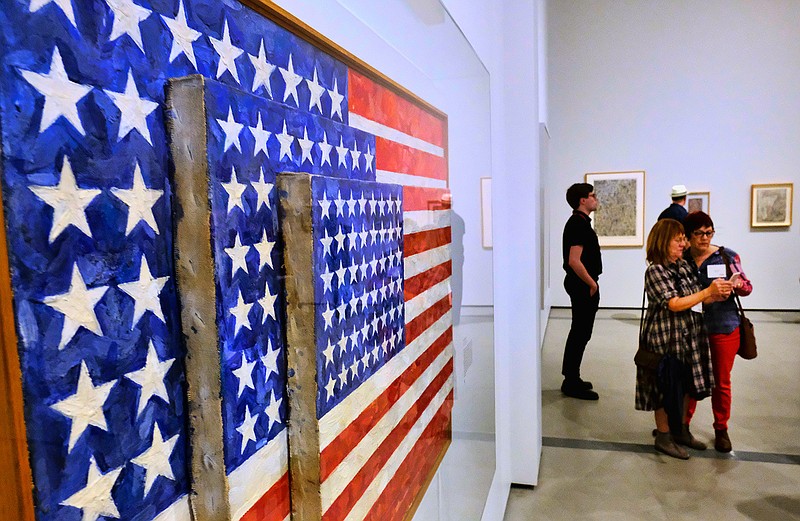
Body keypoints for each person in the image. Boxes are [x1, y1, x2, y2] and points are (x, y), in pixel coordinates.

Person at [636, 219, 731, 459]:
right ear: (662, 241)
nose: (684, 244)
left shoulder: (684, 266)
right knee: (664, 388)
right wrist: (707, 292)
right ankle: (664, 437)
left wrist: (717, 294)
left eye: (683, 239)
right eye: (677, 240)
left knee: (686, 383)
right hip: (665, 339)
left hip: (688, 336)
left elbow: (695, 299)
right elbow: (674, 303)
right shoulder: (656, 270)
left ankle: (681, 432)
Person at [683, 211, 753, 452]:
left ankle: (721, 429)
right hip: (690, 328)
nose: (704, 237)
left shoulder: (725, 256)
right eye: (699, 233)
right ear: (688, 236)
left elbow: (747, 286)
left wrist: (737, 285)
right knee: (687, 377)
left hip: (723, 326)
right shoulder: (681, 258)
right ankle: (682, 424)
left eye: (709, 232)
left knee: (721, 382)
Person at [561, 183, 601, 400]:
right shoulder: (578, 224)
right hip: (582, 284)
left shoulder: (581, 222)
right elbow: (574, 261)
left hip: (582, 284)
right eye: (592, 195)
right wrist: (591, 284)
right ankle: (570, 380)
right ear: (582, 200)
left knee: (581, 331)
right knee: (580, 331)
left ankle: (572, 377)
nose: (596, 199)